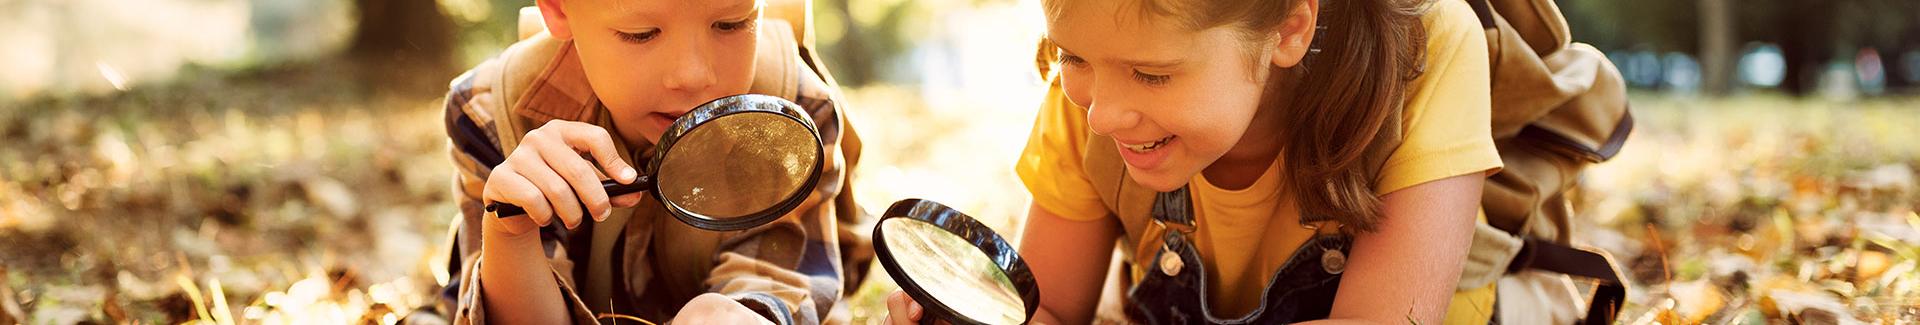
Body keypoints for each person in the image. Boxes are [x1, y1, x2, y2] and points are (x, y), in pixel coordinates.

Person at [887, 0, 1502, 323]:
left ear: (1289, 28)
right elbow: (1047, 309)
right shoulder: (1097, 91)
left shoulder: (1424, 52)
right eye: (1071, 56)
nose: (1100, 116)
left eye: (1151, 75)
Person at [427, 0, 865, 323]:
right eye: (641, 33)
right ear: (558, 9)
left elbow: (777, 280)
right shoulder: (490, 111)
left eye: (731, 22)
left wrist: (740, 314)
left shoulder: (795, 107)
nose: (693, 75)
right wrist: (512, 233)